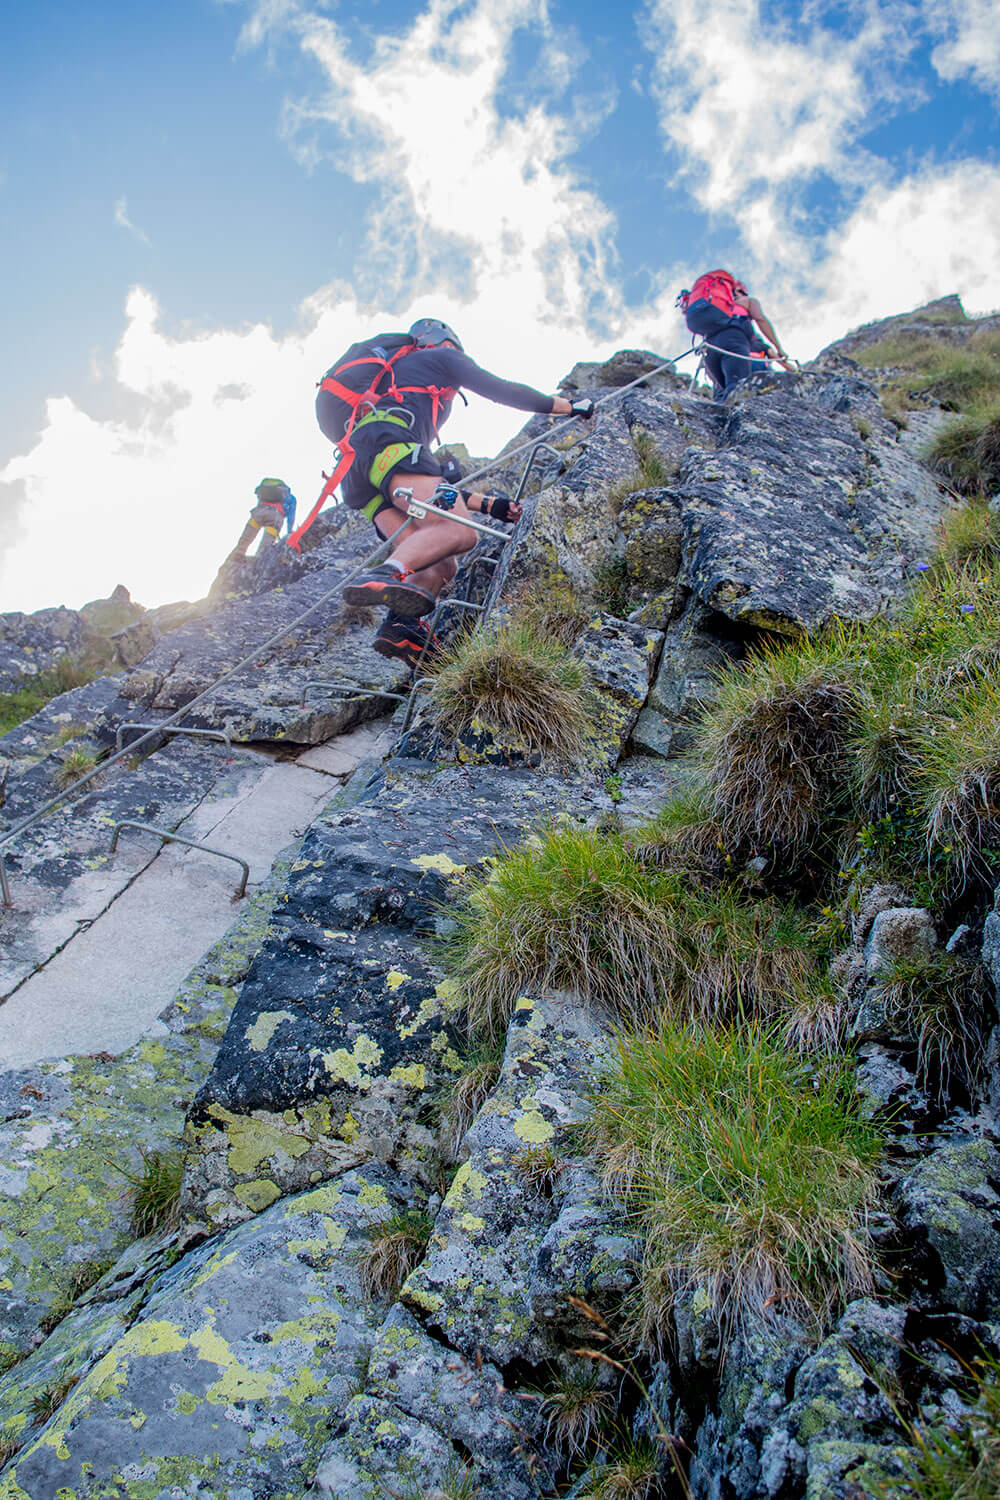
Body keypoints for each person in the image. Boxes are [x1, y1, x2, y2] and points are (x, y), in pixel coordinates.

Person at [316, 317, 594, 666]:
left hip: (363, 474)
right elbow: (503, 390)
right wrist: (570, 406)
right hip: (392, 447)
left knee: (441, 561)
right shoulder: (439, 358)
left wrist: (491, 506)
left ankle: (401, 628)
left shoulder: (392, 376)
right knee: (458, 532)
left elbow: (431, 496)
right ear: (444, 341)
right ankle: (385, 574)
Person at [679, 271, 791, 395]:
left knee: (722, 394)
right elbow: (761, 320)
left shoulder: (717, 309)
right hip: (735, 345)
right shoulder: (746, 302)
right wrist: (779, 348)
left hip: (711, 347)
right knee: (736, 390)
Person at [229, 478, 298, 559]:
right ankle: (258, 560)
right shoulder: (290, 497)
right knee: (265, 546)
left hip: (259, 512)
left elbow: (259, 501)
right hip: (275, 516)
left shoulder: (265, 492)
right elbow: (291, 516)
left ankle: (236, 556)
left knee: (246, 538)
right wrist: (289, 530)